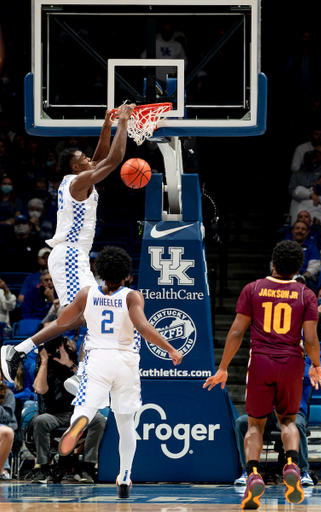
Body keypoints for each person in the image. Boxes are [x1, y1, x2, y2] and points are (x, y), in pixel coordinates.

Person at [1, 245, 183, 498]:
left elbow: (62, 323)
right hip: (126, 362)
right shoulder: (132, 296)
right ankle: (125, 475)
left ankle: (77, 424)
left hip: (98, 359)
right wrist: (170, 349)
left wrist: (28, 343)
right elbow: (142, 326)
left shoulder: (87, 294)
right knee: (126, 423)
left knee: (85, 407)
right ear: (127, 275)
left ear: (101, 272)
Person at [203, 240, 321, 509]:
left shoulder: (254, 289)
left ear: (273, 263)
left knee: (255, 425)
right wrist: (316, 365)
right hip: (293, 362)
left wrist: (223, 367)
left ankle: (253, 474)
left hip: (260, 361)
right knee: (288, 422)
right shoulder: (306, 294)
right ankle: (292, 465)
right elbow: (311, 338)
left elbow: (236, 332)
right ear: (298, 268)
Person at [46, 103, 135, 309]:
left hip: (74, 254)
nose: (88, 158)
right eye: (83, 157)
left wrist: (107, 125)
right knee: (75, 314)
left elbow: (100, 158)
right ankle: (30, 343)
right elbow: (113, 160)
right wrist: (123, 121)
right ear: (75, 167)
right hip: (69, 253)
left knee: (90, 311)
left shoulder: (78, 178)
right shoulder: (78, 182)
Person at [29, 335, 106, 484]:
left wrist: (69, 364)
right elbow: (39, 388)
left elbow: (88, 385)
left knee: (99, 419)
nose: (63, 350)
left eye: (67, 346)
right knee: (40, 420)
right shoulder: (44, 367)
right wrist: (44, 361)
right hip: (53, 415)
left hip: (76, 414)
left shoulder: (77, 365)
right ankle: (43, 467)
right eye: (60, 347)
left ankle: (87, 467)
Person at [140, 22, 188, 87]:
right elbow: (143, 58)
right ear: (162, 31)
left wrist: (179, 73)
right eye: (165, 30)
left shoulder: (178, 46)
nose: (167, 33)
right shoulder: (154, 43)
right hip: (156, 81)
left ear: (172, 31)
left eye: (169, 30)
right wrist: (149, 71)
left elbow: (184, 61)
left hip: (172, 80)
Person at [0, 367, 17, 480]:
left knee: (6, 432)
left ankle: (2, 470)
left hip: (3, 425)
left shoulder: (8, 394)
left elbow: (6, 418)